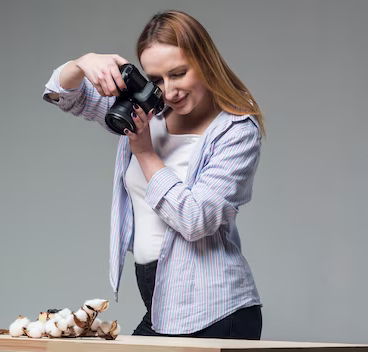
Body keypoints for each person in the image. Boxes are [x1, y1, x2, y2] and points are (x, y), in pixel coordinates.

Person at [41, 10, 264, 339]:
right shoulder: (151, 111)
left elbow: (195, 218)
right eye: (157, 79)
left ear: (205, 61)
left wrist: (145, 153)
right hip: (163, 304)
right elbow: (65, 96)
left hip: (216, 310)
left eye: (178, 73)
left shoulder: (236, 130)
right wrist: (83, 63)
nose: (169, 91)